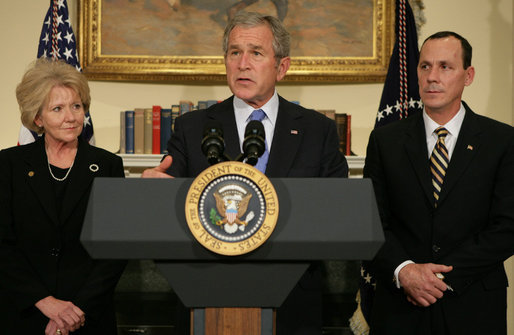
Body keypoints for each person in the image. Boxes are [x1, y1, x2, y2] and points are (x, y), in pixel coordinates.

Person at [142, 11, 348, 334]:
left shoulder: (316, 130)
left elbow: (336, 210)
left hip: (291, 303)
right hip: (206, 298)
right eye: (234, 52)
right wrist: (155, 194)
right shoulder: (192, 128)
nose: (242, 63)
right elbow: (170, 205)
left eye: (256, 53)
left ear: (282, 67)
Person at [364, 31, 514, 335]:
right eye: (425, 66)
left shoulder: (503, 141)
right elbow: (371, 222)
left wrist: (438, 279)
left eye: (445, 66)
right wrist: (405, 271)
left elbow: (507, 228)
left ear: (468, 75)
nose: (433, 77)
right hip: (399, 307)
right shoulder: (385, 141)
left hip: (473, 307)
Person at [0, 58, 126, 335]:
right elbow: (2, 246)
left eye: (76, 106)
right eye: (58, 108)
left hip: (88, 318)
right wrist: (46, 304)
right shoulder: (8, 165)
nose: (71, 117)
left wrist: (75, 312)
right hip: (24, 314)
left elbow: (115, 251)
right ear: (37, 118)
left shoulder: (107, 165)